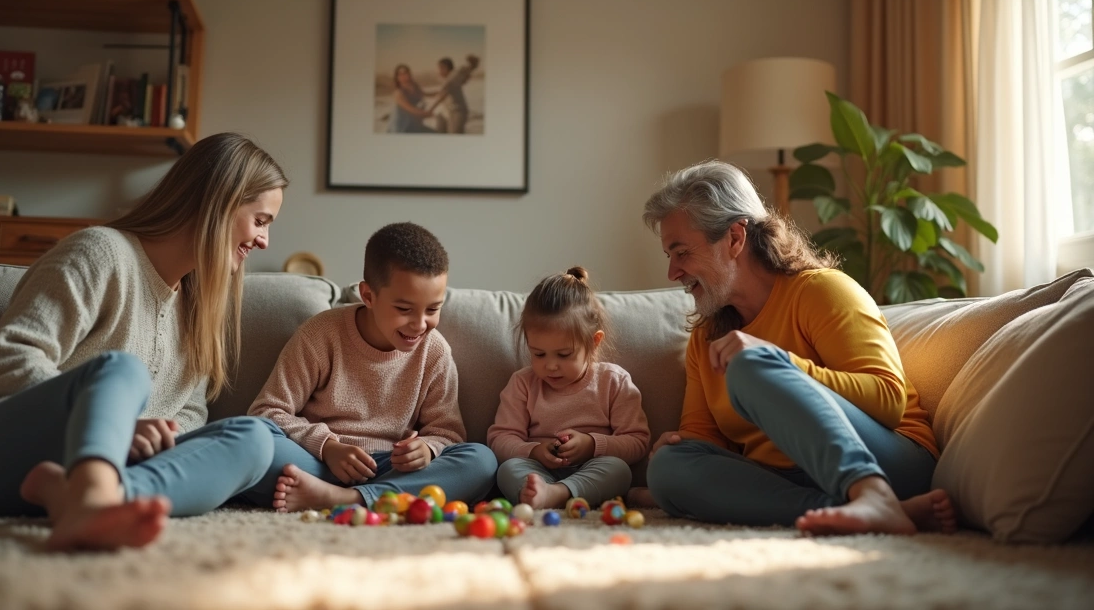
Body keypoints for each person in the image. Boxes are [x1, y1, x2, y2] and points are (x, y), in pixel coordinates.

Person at [0, 132, 288, 551]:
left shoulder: (198, 305)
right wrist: (119, 428)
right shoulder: (101, 252)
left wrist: (159, 440)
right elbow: (5, 358)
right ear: (216, 201)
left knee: (253, 438)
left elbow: (190, 410)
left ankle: (87, 497)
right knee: (122, 369)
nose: (264, 241)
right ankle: (91, 496)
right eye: (260, 220)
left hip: (63, 475)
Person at [634, 160, 956, 536]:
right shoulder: (707, 336)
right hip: (793, 481)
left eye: (682, 252)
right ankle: (871, 511)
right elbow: (703, 434)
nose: (673, 272)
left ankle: (874, 494)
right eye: (669, 257)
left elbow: (887, 399)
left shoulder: (821, 291)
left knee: (749, 365)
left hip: (890, 461)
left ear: (736, 238)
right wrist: (680, 447)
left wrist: (778, 362)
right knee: (669, 465)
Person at [244, 222, 497, 512]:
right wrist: (327, 447)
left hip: (392, 471)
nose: (419, 324)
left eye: (432, 309)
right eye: (404, 310)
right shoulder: (320, 335)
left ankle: (348, 499)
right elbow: (267, 411)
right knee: (254, 436)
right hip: (317, 463)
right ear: (368, 296)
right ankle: (372, 499)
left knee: (482, 461)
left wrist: (427, 449)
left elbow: (447, 433)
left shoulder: (435, 351)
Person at [487, 267, 650, 509]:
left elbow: (638, 441)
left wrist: (592, 445)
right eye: (538, 354)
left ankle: (557, 495)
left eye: (564, 355)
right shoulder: (523, 383)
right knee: (508, 470)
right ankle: (542, 493)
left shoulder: (612, 381)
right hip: (538, 471)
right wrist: (534, 452)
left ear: (594, 343)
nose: (550, 366)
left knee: (618, 470)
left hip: (592, 469)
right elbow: (500, 438)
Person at [429, 54, 480, 134]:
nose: (439, 71)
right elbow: (440, 93)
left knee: (454, 134)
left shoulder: (452, 78)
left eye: (439, 68)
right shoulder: (454, 76)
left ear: (445, 67)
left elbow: (442, 95)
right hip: (450, 111)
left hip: (457, 111)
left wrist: (430, 110)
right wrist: (422, 93)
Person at [386, 64, 436, 133]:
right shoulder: (398, 93)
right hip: (401, 127)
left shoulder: (415, 87)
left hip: (413, 124)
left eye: (405, 72)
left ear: (409, 74)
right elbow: (411, 109)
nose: (403, 75)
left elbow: (427, 94)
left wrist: (442, 91)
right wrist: (425, 113)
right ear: (397, 77)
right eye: (400, 74)